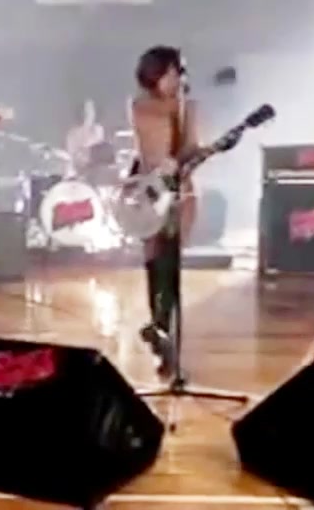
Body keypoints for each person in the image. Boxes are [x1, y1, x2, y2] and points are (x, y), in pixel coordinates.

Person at [128, 45, 200, 377]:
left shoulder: (189, 107)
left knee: (171, 266)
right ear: (153, 74)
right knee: (153, 262)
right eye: (170, 72)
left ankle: (165, 337)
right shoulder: (140, 106)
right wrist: (137, 183)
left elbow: (193, 148)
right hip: (148, 190)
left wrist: (183, 158)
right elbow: (145, 150)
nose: (176, 78)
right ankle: (158, 331)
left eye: (179, 72)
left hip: (180, 192)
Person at [65, 99, 106, 176]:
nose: (88, 113)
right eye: (86, 110)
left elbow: (100, 153)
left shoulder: (98, 130)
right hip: (78, 172)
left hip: (96, 172)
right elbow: (72, 156)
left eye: (91, 110)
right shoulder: (72, 134)